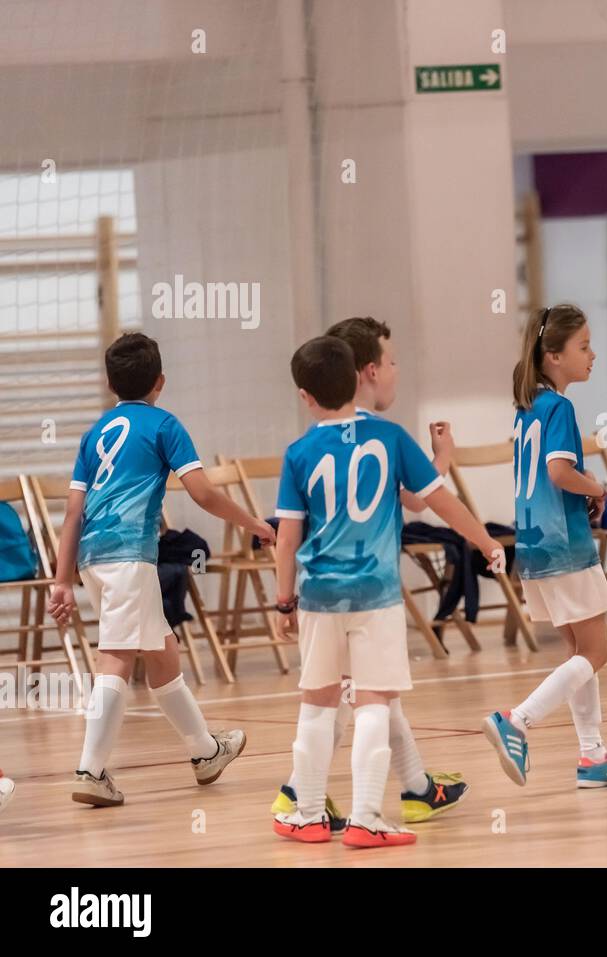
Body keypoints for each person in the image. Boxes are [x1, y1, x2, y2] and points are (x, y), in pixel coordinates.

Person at [270, 336, 504, 847]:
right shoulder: (392, 437)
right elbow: (438, 502)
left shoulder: (299, 452)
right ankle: (367, 817)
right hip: (376, 594)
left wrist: (284, 601)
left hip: (318, 594)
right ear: (359, 378)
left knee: (317, 704)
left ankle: (307, 814)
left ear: (305, 396)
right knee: (373, 701)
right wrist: (486, 540)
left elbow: (287, 538)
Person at [48, 332, 268, 806]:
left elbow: (72, 512)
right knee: (118, 654)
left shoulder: (95, 433)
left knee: (163, 651)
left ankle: (205, 752)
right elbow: (203, 492)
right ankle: (90, 769)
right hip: (129, 554)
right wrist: (254, 522)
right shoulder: (165, 425)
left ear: (110, 384)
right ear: (160, 381)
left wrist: (62, 578)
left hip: (92, 556)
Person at [481, 304, 607, 789]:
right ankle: (517, 720)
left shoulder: (527, 406)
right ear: (553, 355)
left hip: (534, 546)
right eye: (584, 346)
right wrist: (597, 488)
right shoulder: (558, 407)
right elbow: (558, 472)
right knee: (596, 652)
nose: (592, 355)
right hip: (564, 544)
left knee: (578, 649)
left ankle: (593, 756)